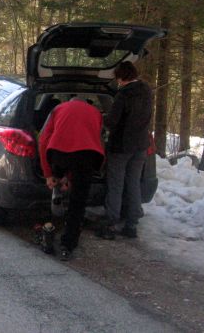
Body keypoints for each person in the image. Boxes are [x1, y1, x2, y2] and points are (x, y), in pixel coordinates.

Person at [39, 97, 105, 261]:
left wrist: (49, 175)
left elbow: (43, 140)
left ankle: (50, 224)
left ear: (70, 101)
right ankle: (67, 245)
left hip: (59, 153)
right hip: (88, 156)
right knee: (78, 202)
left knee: (58, 174)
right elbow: (90, 139)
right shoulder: (96, 112)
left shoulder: (59, 109)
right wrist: (71, 177)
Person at [97, 61, 153, 240]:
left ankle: (111, 223)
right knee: (134, 183)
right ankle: (131, 224)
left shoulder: (123, 95)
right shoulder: (146, 91)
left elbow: (112, 121)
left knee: (116, 184)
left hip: (121, 146)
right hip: (141, 145)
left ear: (121, 77)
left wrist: (100, 116)